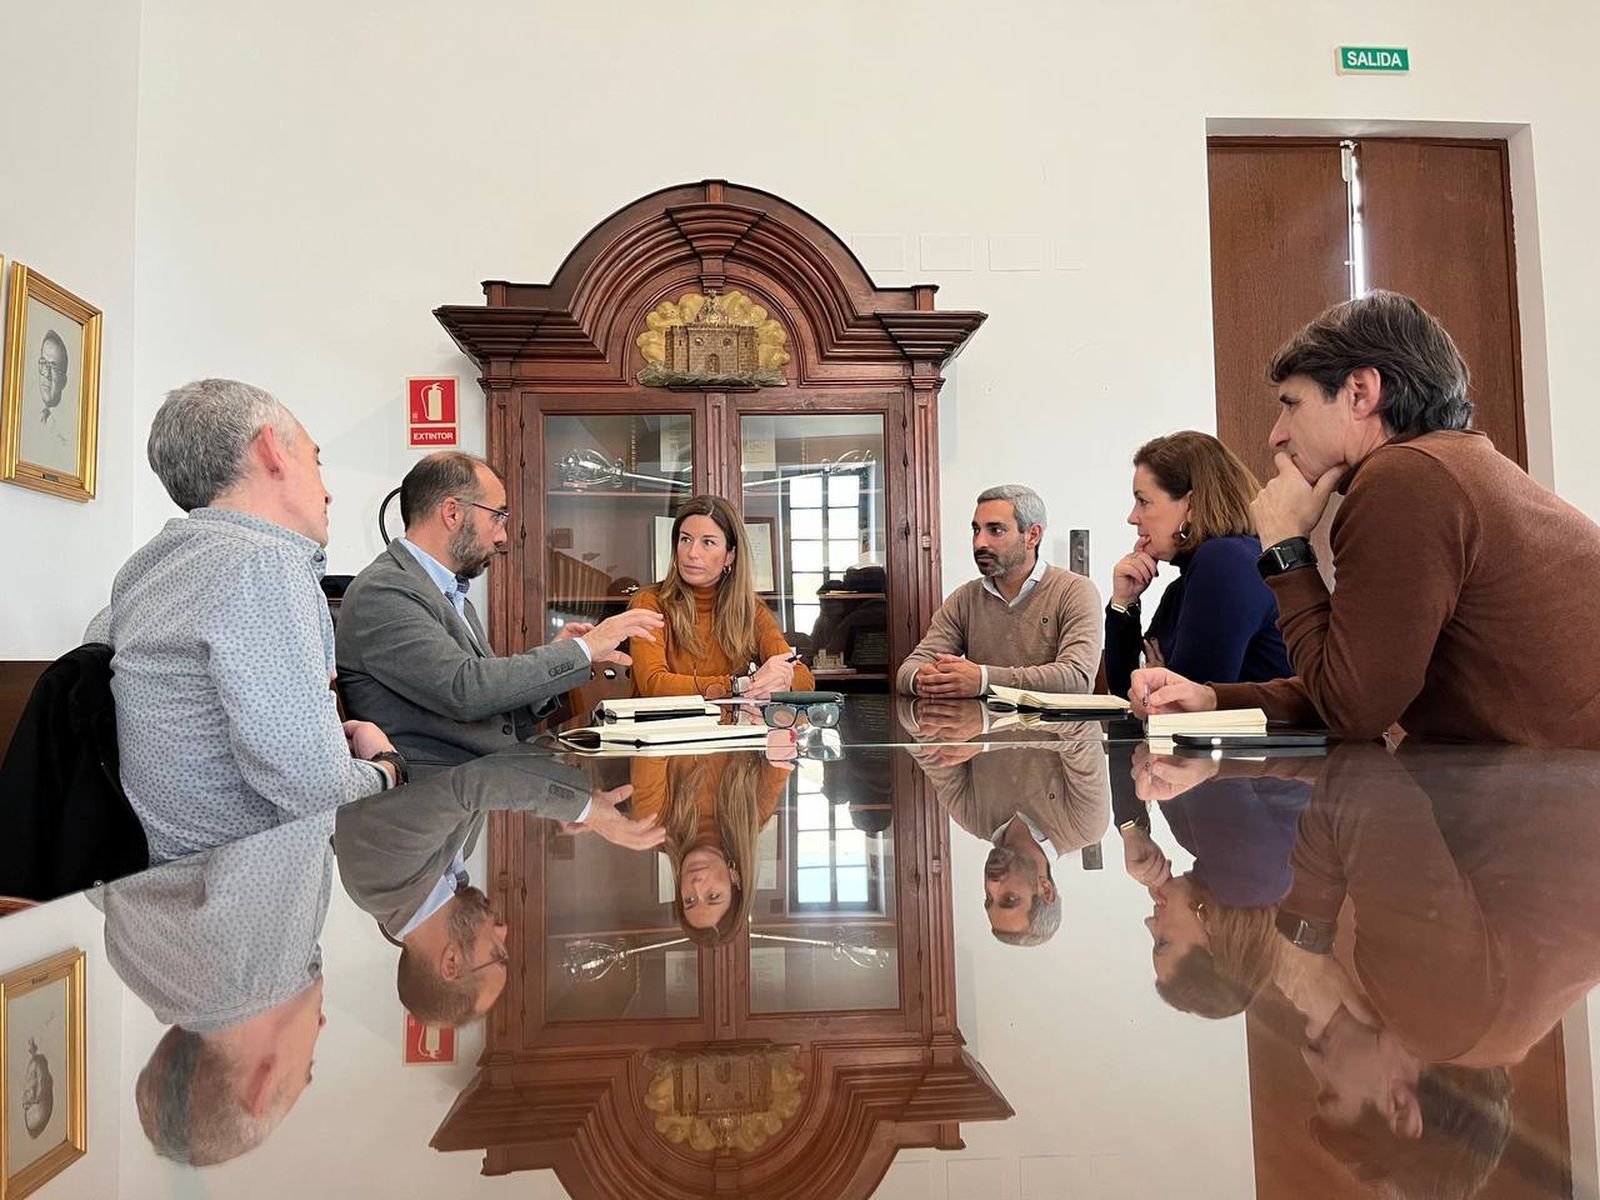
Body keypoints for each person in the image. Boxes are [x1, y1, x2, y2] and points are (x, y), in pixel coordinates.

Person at [1130, 291, 1600, 748]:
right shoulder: (1442, 467)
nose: (1277, 435)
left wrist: (1286, 551)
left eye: (1291, 403)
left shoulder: (1407, 478)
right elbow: (1360, 679)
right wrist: (1212, 699)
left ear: (1360, 392)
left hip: (1565, 799)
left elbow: (1353, 709)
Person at [87, 379, 400, 864]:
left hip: (158, 890)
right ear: (271, 450)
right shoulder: (266, 565)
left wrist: (316, 742)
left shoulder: (143, 569)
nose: (328, 492)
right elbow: (318, 792)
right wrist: (385, 766)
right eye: (316, 461)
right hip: (245, 899)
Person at [336, 452, 662, 768]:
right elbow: (466, 691)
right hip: (437, 799)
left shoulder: (451, 593)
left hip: (484, 785)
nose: (504, 536)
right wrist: (583, 649)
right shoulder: (383, 592)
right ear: (452, 513)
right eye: (498, 517)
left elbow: (496, 716)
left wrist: (566, 658)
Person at [335, 746, 662, 1027]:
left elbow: (474, 782)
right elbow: (492, 762)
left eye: (498, 953)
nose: (504, 931)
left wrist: (585, 808)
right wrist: (563, 796)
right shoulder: (458, 861)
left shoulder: (381, 881)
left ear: (451, 963)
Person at [98, 814, 339, 1165]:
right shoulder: (134, 964)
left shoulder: (268, 960)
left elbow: (305, 787)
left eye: (308, 1068)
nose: (322, 1026)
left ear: (262, 1086)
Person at [1104, 431, 1291, 700]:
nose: (1132, 518)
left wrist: (1161, 686)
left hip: (1270, 740)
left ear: (1191, 505)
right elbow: (1127, 692)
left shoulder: (1224, 562)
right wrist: (1125, 603)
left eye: (1143, 501)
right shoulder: (1183, 585)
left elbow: (1183, 705)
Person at [907, 706, 1109, 947]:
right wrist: (984, 723)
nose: (991, 885)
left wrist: (930, 701)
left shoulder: (971, 817)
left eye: (988, 898)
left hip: (966, 673)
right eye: (1009, 898)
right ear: (1046, 890)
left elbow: (925, 743)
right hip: (1053, 671)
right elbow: (1080, 723)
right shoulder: (1084, 825)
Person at [896, 484, 1101, 699]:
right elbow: (909, 669)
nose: (979, 542)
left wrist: (984, 680)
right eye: (976, 530)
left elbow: (1077, 679)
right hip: (981, 730)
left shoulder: (1075, 591)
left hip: (1056, 732)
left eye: (995, 530)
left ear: (1032, 535)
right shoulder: (965, 598)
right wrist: (923, 678)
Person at [628, 494, 815, 699]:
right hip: (662, 728)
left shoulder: (750, 610)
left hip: (729, 728)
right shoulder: (650, 602)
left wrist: (781, 681)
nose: (692, 553)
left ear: (730, 555)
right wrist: (739, 685)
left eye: (707, 542)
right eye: (685, 539)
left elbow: (803, 678)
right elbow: (653, 684)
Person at [628, 744, 795, 944]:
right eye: (713, 895)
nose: (696, 886)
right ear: (735, 878)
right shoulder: (753, 813)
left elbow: (651, 740)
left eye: (689, 900)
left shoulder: (654, 826)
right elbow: (786, 736)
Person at [24, 329, 75, 473]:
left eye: (53, 367)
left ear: (64, 380)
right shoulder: (26, 419)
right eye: (43, 364)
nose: (46, 374)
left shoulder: (69, 432)